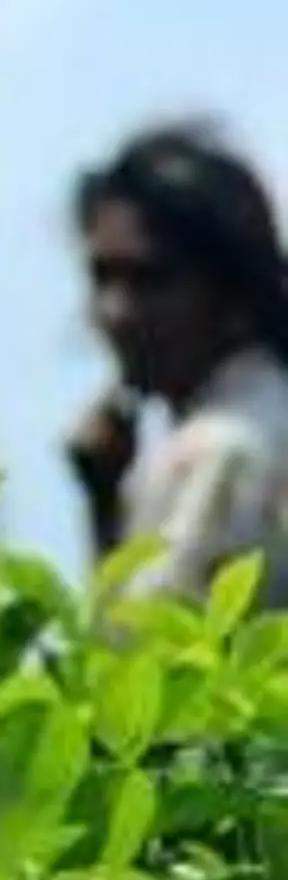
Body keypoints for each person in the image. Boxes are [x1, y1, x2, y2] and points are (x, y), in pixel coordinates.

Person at [67, 122, 288, 610]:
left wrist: (102, 509)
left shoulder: (223, 452)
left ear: (231, 290)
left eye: (150, 281)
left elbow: (141, 667)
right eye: (102, 277)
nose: (115, 312)